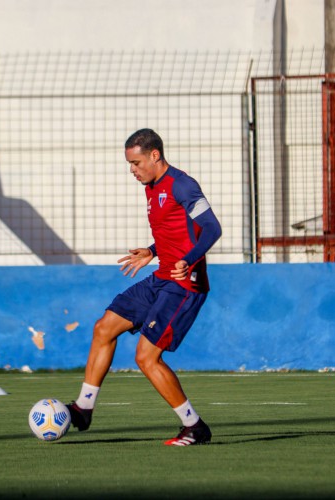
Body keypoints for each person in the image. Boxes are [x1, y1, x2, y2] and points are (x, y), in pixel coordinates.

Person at [67, 128, 222, 446]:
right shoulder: (151, 186)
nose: (132, 170)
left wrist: (188, 260)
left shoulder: (183, 185)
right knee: (104, 327)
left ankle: (194, 426)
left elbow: (211, 228)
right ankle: (83, 407)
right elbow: (176, 229)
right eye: (129, 164)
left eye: (136, 163)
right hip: (161, 277)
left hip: (184, 285)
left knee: (146, 357)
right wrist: (153, 251)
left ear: (155, 155)